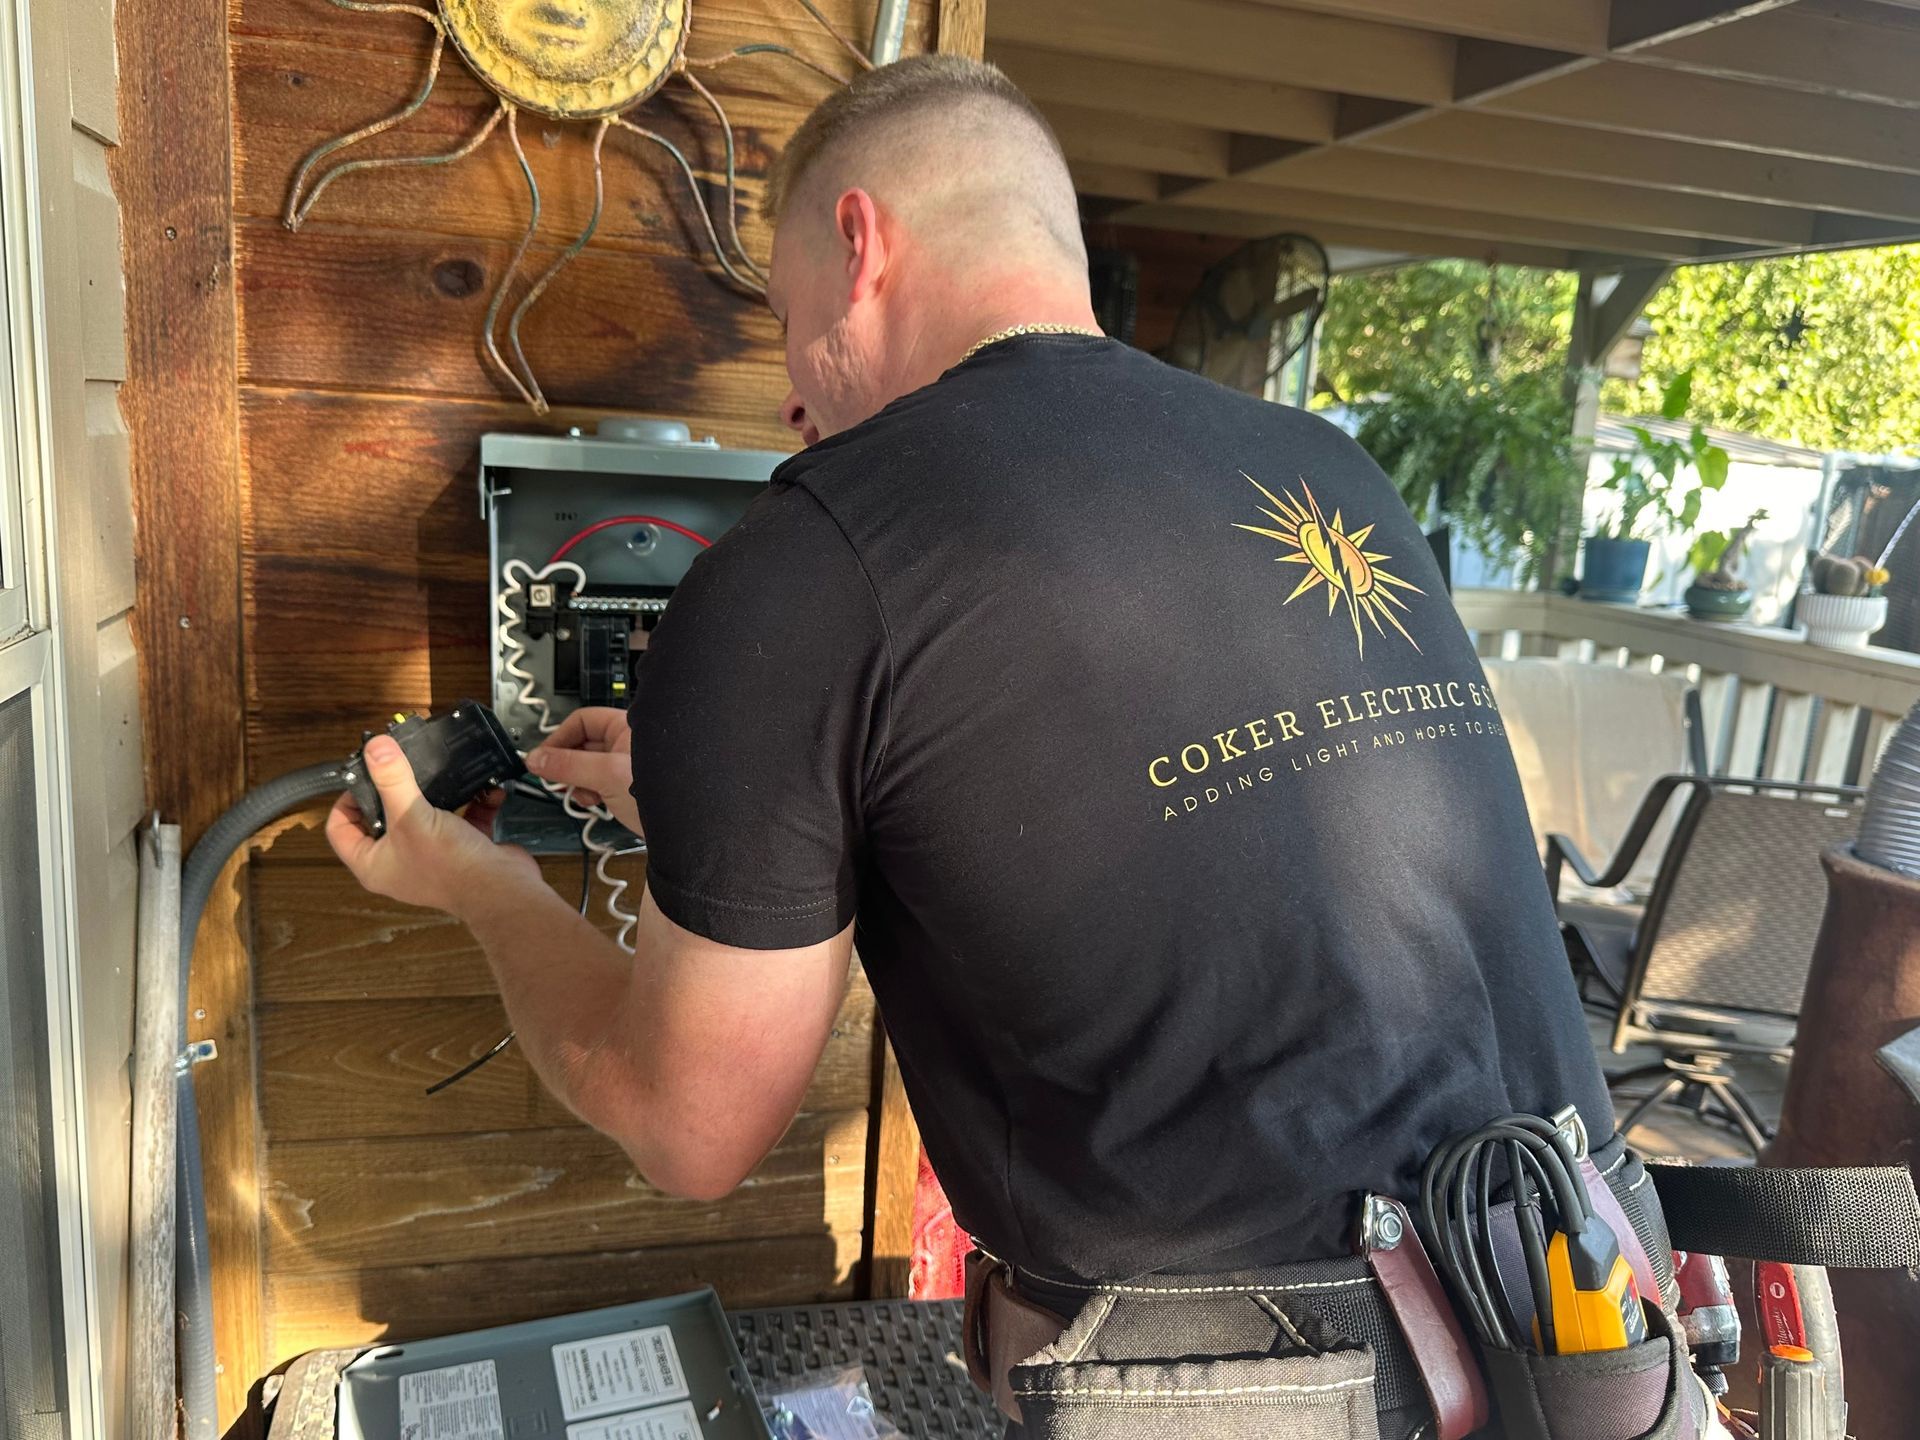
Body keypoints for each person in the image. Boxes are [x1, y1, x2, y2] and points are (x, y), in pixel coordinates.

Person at [330, 56, 1652, 1440]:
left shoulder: (809, 558)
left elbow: (689, 1123)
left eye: (785, 321)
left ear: (860, 244)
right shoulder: (1325, 466)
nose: (789, 398)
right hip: (1589, 1313)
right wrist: (711, 813)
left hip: (1256, 1391)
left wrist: (478, 888)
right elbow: (1120, 843)